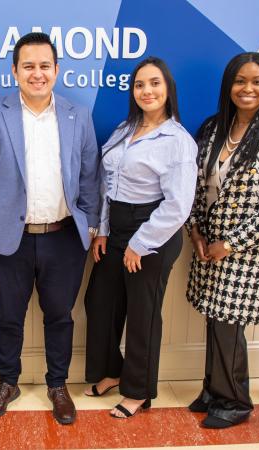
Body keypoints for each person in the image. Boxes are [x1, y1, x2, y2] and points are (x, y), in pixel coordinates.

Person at [0, 32, 101, 425]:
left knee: (60, 315)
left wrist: (91, 225)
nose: (37, 73)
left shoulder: (79, 115)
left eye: (45, 65)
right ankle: (7, 382)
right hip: (7, 241)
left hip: (63, 239)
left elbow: (91, 176)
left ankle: (57, 385)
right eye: (28, 66)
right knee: (8, 316)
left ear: (57, 70)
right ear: (15, 70)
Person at [185, 52, 259, 429]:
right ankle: (213, 389)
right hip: (208, 243)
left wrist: (230, 243)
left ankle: (234, 401)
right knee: (213, 320)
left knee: (229, 324)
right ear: (228, 86)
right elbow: (199, 187)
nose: (247, 88)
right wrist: (197, 231)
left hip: (244, 250)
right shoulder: (214, 127)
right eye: (240, 81)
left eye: (257, 81)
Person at [82, 56, 196, 418]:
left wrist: (140, 243)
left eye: (155, 83)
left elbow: (178, 205)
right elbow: (108, 185)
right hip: (116, 224)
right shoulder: (124, 128)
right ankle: (112, 372)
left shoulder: (177, 140)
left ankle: (138, 391)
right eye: (139, 85)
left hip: (153, 229)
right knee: (99, 301)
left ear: (168, 90)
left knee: (143, 314)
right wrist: (103, 229)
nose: (146, 91)